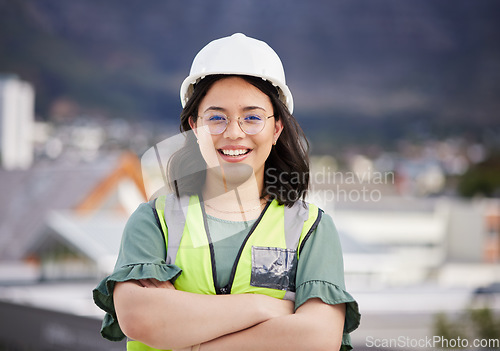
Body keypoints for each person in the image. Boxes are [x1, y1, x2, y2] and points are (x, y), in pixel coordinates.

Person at [93, 33, 360, 351]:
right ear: (195, 127)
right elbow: (141, 319)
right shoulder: (154, 221)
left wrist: (192, 339)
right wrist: (265, 307)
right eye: (217, 118)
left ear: (276, 129)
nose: (234, 133)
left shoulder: (311, 229)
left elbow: (317, 338)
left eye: (252, 118)